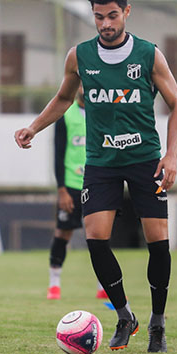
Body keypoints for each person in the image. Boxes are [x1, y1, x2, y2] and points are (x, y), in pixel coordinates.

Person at [15, 0, 177, 353]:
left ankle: (158, 323)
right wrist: (33, 127)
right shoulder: (80, 56)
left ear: (126, 12)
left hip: (144, 160)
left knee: (158, 243)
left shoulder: (148, 54)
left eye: (112, 16)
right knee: (94, 239)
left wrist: (171, 155)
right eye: (98, 17)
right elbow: (62, 99)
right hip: (101, 162)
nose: (106, 24)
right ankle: (125, 316)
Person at [46, 87, 109, 301]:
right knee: (63, 233)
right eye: (80, 84)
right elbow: (58, 153)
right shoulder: (65, 115)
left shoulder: (102, 112)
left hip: (96, 182)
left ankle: (104, 286)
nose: (84, 88)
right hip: (71, 185)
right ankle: (54, 284)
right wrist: (61, 189)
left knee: (100, 235)